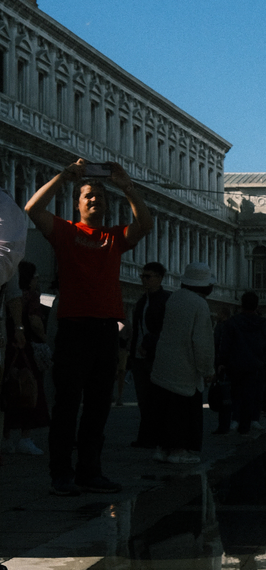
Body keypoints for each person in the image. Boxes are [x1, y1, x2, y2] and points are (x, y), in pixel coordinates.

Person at [25, 158, 153, 496]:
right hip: (73, 328)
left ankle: (90, 471)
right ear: (77, 203)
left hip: (105, 330)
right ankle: (61, 474)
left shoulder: (114, 237)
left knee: (98, 406)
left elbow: (145, 224)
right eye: (87, 196)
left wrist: (126, 186)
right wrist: (65, 176)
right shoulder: (65, 232)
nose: (94, 199)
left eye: (99, 195)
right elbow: (32, 209)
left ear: (108, 205)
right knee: (67, 405)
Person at [150, 262, 216, 463]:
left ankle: (162, 449)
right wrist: (207, 369)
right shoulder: (199, 304)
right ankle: (179, 451)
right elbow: (202, 341)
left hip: (163, 364)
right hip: (185, 367)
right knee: (183, 411)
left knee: (164, 409)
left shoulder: (173, 298)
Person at [2, 259, 50, 455]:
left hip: (6, 345)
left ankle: (5, 437)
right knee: (29, 388)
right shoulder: (30, 297)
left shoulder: (7, 292)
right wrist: (46, 337)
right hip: (24, 347)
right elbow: (35, 321)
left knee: (7, 389)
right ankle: (25, 437)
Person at [217, 291, 266, 434]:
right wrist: (265, 361)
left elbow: (225, 344)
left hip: (235, 364)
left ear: (241, 305)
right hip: (256, 365)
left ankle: (236, 419)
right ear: (257, 306)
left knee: (236, 392)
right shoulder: (263, 323)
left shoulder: (232, 322)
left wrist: (222, 362)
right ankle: (252, 420)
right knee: (254, 393)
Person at [128, 261, 171, 448]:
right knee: (143, 399)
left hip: (155, 356)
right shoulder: (141, 301)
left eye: (148, 276)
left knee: (156, 399)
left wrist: (149, 344)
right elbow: (137, 329)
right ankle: (145, 436)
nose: (144, 280)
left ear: (159, 278)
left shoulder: (165, 300)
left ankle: (156, 436)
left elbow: (165, 329)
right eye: (142, 276)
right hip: (139, 358)